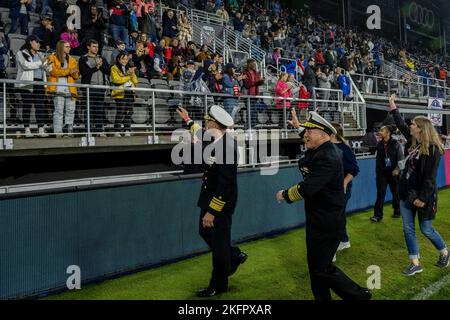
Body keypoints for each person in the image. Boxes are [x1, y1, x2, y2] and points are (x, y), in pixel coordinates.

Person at [276, 111, 371, 300]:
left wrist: (285, 194)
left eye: (310, 130)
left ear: (323, 134)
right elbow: (308, 136)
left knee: (322, 268)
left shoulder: (327, 156)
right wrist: (299, 126)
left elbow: (308, 188)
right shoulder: (322, 148)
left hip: (327, 223)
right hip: (318, 219)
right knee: (316, 268)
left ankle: (359, 295)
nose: (306, 135)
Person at [176, 105, 247, 297]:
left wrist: (212, 211)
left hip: (219, 203)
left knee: (219, 244)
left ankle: (217, 285)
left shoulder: (227, 147)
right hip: (209, 198)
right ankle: (233, 255)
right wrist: (189, 121)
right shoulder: (215, 139)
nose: (205, 124)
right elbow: (199, 132)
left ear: (214, 124)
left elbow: (226, 185)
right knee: (208, 235)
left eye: (208, 122)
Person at [389, 94, 449, 275]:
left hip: (423, 196)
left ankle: (445, 252)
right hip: (406, 193)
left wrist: (423, 198)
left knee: (426, 230)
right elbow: (400, 124)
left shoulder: (433, 150)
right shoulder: (414, 142)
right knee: (408, 229)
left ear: (421, 129)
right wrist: (393, 106)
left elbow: (430, 178)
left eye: (413, 124)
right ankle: (415, 262)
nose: (410, 126)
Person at [15, 35, 52, 137]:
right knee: (27, 106)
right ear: (30, 42)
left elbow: (49, 70)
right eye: (37, 42)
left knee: (40, 107)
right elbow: (26, 65)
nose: (39, 44)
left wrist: (49, 63)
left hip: (40, 83)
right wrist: (41, 62)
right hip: (27, 83)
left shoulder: (41, 54)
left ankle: (40, 129)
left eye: (40, 42)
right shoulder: (21, 53)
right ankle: (27, 129)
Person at [330, 123, 359, 254]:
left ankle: (337, 243)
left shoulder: (344, 149)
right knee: (337, 215)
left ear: (333, 133)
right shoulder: (326, 147)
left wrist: (345, 182)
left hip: (341, 189)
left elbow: (354, 169)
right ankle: (344, 240)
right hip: (330, 189)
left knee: (336, 216)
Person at [370, 125, 403, 222]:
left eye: (382, 130)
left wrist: (397, 169)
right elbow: (378, 160)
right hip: (382, 173)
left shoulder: (396, 143)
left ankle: (397, 210)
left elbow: (401, 159)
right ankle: (377, 215)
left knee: (396, 193)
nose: (379, 132)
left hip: (394, 173)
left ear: (388, 133)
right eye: (379, 130)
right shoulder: (379, 144)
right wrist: (378, 173)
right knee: (380, 194)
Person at [46, 40, 79, 137]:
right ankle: (58, 132)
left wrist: (70, 72)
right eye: (67, 46)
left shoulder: (72, 60)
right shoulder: (53, 57)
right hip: (58, 88)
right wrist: (68, 71)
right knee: (59, 110)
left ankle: (69, 130)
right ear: (61, 47)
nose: (69, 48)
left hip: (70, 89)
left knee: (70, 110)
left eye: (69, 46)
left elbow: (76, 75)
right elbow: (53, 72)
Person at [79, 39, 110, 136]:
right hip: (89, 88)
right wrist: (96, 67)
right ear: (88, 47)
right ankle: (88, 131)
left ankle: (99, 130)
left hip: (100, 88)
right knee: (89, 110)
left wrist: (100, 66)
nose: (96, 48)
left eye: (97, 47)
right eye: (94, 46)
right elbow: (84, 72)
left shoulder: (101, 58)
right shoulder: (83, 59)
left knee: (99, 111)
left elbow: (108, 71)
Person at [110, 52, 137, 137]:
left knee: (129, 112)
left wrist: (132, 74)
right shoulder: (114, 68)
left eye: (126, 59)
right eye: (123, 59)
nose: (125, 61)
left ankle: (127, 130)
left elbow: (135, 81)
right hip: (120, 92)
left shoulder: (129, 68)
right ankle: (117, 130)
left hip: (130, 92)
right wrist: (129, 76)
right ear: (118, 59)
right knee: (120, 112)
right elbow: (116, 80)